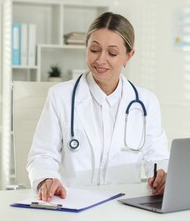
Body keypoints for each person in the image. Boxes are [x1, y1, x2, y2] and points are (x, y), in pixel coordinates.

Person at [27, 12, 169, 202]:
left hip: (125, 205)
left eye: (112, 53)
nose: (101, 60)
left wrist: (162, 175)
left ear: (129, 56)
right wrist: (47, 178)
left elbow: (157, 157)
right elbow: (42, 155)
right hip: (73, 202)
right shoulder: (60, 96)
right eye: (94, 49)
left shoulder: (147, 102)